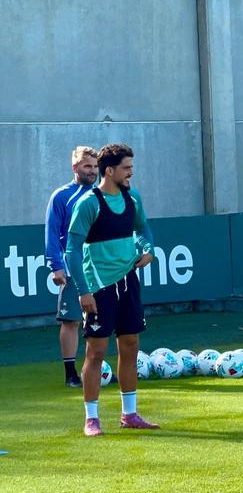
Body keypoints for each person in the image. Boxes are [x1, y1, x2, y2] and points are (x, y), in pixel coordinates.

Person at [64, 143, 158, 436]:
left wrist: (148, 249)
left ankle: (129, 414)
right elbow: (71, 251)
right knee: (96, 352)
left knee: (130, 347)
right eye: (127, 168)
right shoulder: (89, 203)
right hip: (98, 287)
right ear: (110, 170)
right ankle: (91, 418)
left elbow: (143, 230)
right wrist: (83, 291)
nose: (131, 172)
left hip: (128, 281)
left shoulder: (133, 197)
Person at [45, 146, 99, 388]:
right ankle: (70, 374)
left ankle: (95, 368)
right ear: (75, 167)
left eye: (96, 167)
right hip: (72, 267)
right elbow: (51, 233)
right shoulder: (61, 196)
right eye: (87, 166)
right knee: (71, 321)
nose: (92, 171)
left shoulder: (102, 194)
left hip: (101, 268)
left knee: (100, 318)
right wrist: (56, 265)